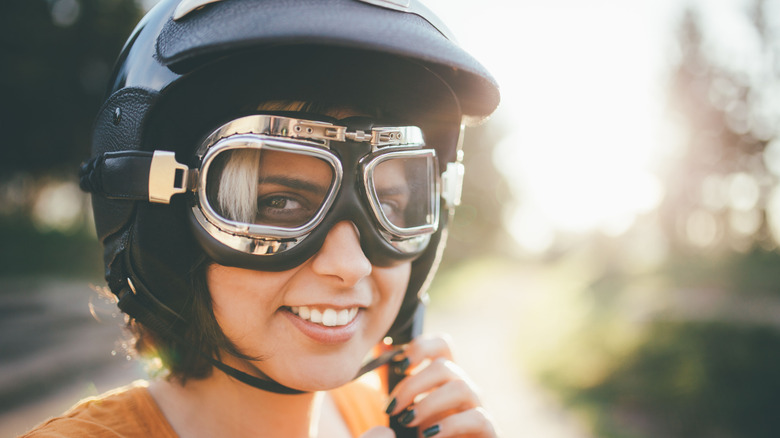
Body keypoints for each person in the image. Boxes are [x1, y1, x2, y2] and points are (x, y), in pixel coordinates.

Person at [23, 0, 500, 436]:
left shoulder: (384, 415)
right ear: (162, 225)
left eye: (390, 206)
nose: (350, 266)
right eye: (279, 204)